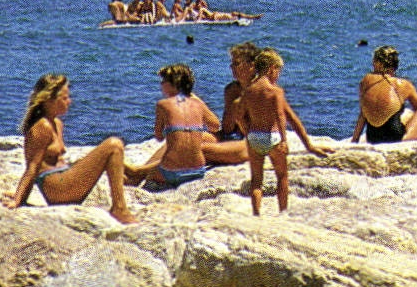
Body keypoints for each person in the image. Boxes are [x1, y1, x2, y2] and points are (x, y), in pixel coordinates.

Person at [6, 73, 136, 224]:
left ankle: (132, 174)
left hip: (65, 182)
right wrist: (18, 199)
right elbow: (32, 168)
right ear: (49, 100)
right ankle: (119, 208)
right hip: (58, 190)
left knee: (110, 154)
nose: (69, 101)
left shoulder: (57, 124)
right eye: (65, 98)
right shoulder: (42, 127)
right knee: (114, 144)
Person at [241, 48, 327, 215]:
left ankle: (256, 215)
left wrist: (248, 132)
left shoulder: (249, 91)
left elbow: (239, 115)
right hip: (273, 137)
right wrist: (284, 140)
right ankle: (283, 213)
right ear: (271, 68)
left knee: (257, 181)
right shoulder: (276, 92)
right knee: (282, 177)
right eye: (278, 71)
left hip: (254, 138)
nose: (278, 75)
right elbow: (284, 117)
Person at [125, 63, 224, 189]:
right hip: (197, 170)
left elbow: (159, 135)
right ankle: (139, 171)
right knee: (186, 140)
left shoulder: (164, 105)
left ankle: (138, 172)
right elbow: (215, 126)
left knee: (174, 144)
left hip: (173, 172)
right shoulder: (195, 102)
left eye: (164, 81)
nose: (161, 84)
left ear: (174, 84)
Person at [350, 45, 417, 144]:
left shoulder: (366, 81)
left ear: (376, 63)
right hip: (397, 140)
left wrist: (355, 139)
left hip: (373, 139)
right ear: (395, 65)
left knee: (408, 113)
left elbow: (363, 114)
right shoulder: (403, 84)